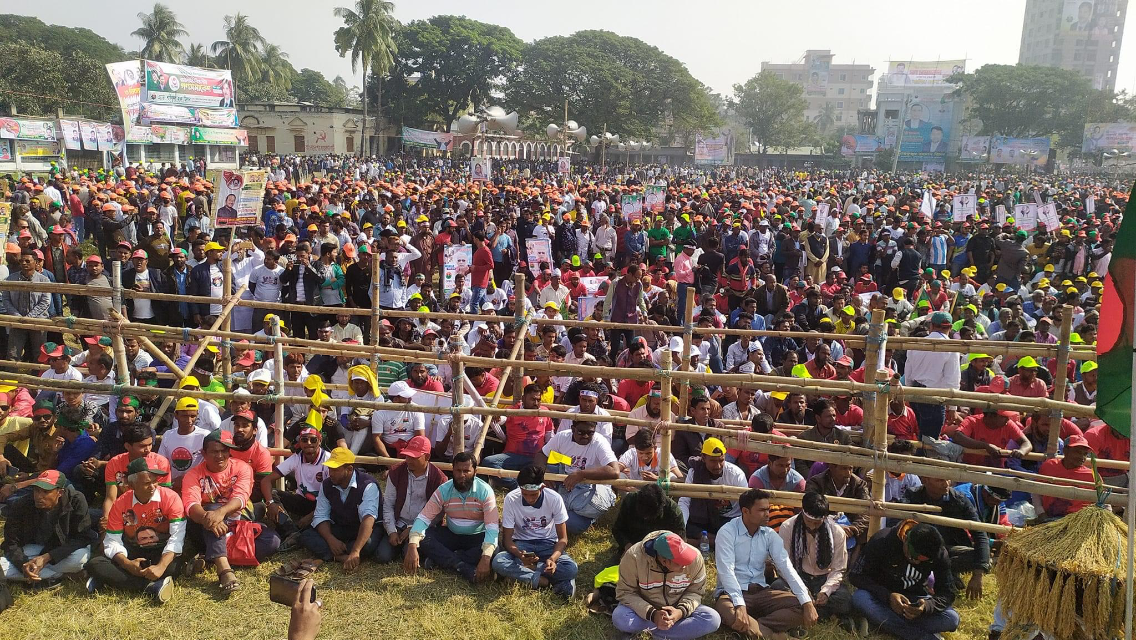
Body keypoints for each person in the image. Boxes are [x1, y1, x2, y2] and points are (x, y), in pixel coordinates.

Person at [181, 429, 280, 595]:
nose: (220, 455)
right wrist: (209, 517)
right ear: (204, 454)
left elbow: (241, 498)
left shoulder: (242, 468)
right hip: (205, 526)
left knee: (273, 541)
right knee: (211, 510)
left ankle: (211, 555)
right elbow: (191, 506)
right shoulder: (193, 474)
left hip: (236, 524)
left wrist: (221, 512)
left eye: (224, 451)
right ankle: (224, 570)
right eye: (214, 451)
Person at [713, 488, 818, 639]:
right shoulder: (727, 532)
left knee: (803, 605)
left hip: (762, 592)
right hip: (730, 595)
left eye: (768, 509)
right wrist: (739, 604)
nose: (767, 514)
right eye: (761, 510)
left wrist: (806, 601)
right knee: (728, 610)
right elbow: (726, 572)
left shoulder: (769, 534)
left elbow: (786, 567)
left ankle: (751, 628)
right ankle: (778, 636)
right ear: (745, 511)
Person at [86, 456, 185, 602]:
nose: (153, 487)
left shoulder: (171, 498)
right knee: (95, 564)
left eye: (155, 481)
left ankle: (113, 580)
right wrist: (127, 564)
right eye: (146, 483)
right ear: (131, 485)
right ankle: (151, 588)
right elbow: (112, 541)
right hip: (133, 550)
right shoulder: (120, 503)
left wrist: (161, 566)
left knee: (173, 565)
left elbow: (177, 537)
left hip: (162, 550)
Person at [849, 520, 960, 640]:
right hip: (880, 598)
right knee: (860, 598)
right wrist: (888, 596)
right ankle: (920, 636)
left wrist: (926, 606)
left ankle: (885, 624)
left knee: (952, 618)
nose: (916, 562)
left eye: (923, 561)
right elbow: (856, 575)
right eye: (913, 556)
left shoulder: (939, 554)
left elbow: (947, 592)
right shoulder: (883, 540)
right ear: (905, 539)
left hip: (913, 601)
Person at [404, 452, 499, 583]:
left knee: (493, 549)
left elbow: (492, 528)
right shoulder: (444, 489)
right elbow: (423, 518)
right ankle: (462, 566)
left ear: (475, 472)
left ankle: (442, 560)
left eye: (466, 471)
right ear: (452, 470)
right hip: (452, 534)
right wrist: (412, 545)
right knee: (424, 538)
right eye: (458, 470)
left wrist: (486, 558)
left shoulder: (485, 491)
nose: (461, 475)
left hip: (477, 536)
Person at [614, 530, 721, 640]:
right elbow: (625, 592)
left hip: (677, 608)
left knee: (712, 619)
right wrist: (653, 614)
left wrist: (679, 612)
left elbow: (695, 591)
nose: (685, 566)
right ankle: (673, 632)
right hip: (644, 610)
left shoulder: (695, 558)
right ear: (665, 561)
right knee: (620, 617)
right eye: (680, 562)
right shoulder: (634, 557)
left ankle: (653, 631)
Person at [491, 464, 577, 598]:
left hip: (548, 544)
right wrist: (520, 555)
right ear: (520, 489)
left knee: (571, 568)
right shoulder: (511, 499)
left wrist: (553, 559)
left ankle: (522, 575)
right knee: (498, 561)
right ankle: (546, 581)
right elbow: (507, 539)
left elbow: (563, 539)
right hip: (522, 544)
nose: (529, 499)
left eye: (533, 495)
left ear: (542, 487)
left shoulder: (554, 499)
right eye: (524, 494)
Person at [1, 470, 95, 585]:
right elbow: (11, 542)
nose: (39, 497)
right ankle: (59, 575)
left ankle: (37, 574)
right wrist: (23, 565)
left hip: (62, 550)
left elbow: (83, 537)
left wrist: (47, 557)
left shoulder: (76, 500)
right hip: (33, 549)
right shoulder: (22, 504)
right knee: (2, 568)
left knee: (79, 560)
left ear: (59, 492)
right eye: (36, 491)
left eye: (46, 492)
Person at [301, 447, 382, 571]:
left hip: (361, 528)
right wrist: (330, 539)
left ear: (349, 469)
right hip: (341, 527)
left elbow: (368, 519)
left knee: (368, 544)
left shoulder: (368, 485)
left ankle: (345, 553)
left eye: (335, 469)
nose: (330, 473)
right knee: (307, 535)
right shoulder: (327, 484)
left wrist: (356, 550)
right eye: (329, 468)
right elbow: (321, 515)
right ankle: (341, 557)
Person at [776, 492, 852, 623]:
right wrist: (802, 591)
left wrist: (826, 591)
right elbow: (784, 566)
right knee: (777, 587)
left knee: (844, 599)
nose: (812, 527)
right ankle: (823, 613)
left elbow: (838, 569)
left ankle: (805, 610)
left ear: (825, 518)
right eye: (809, 522)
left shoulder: (837, 532)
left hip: (824, 579)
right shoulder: (788, 527)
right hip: (798, 577)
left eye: (817, 523)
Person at [540, 419, 619, 533]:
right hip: (567, 479)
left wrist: (581, 474)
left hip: (593, 485)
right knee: (537, 487)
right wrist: (544, 473)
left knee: (570, 523)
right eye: (581, 432)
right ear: (573, 429)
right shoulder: (562, 437)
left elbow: (614, 471)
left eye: (590, 433)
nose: (586, 436)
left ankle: (588, 516)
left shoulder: (599, 442)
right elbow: (541, 454)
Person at [379, 435, 446, 563]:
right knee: (383, 556)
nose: (408, 460)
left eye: (414, 457)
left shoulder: (439, 478)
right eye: (407, 456)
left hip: (424, 526)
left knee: (406, 553)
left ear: (427, 457)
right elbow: (388, 504)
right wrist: (392, 531)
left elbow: (437, 514)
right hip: (398, 523)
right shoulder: (396, 472)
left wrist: (414, 528)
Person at [678, 437, 748, 542]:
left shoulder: (736, 475)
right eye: (713, 461)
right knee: (685, 526)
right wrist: (681, 526)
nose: (718, 466)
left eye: (721, 460)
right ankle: (714, 539)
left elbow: (746, 504)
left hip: (729, 519)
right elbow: (685, 501)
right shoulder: (694, 473)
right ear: (703, 458)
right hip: (704, 519)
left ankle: (709, 540)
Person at [611, 483, 686, 560]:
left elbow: (679, 542)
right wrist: (627, 545)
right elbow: (617, 529)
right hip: (632, 550)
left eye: (650, 516)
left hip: (661, 556)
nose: (646, 518)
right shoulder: (630, 501)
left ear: (661, 507)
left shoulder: (673, 511)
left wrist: (663, 557)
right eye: (643, 515)